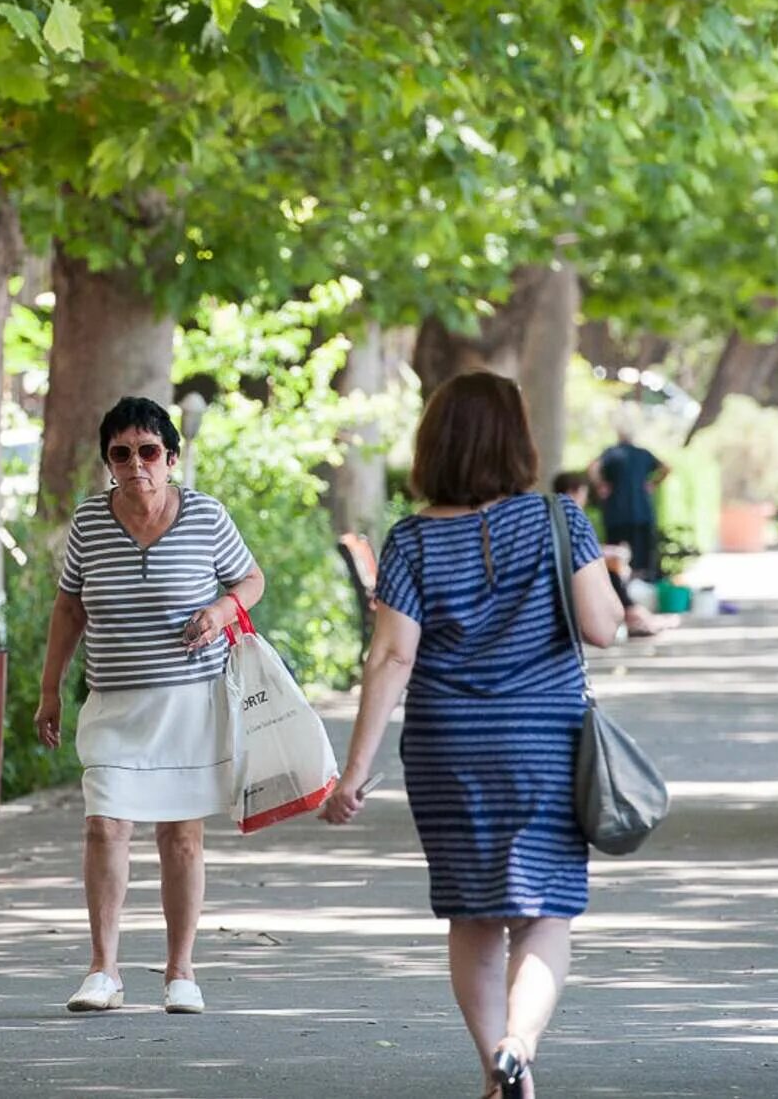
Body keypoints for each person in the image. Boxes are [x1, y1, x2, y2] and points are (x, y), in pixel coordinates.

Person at [323, 372, 625, 1099]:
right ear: (517, 440)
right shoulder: (560, 518)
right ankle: (519, 1045)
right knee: (545, 910)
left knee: (474, 911)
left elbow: (393, 655)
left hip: (447, 747)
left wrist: (354, 769)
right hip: (543, 744)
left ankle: (494, 1067)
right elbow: (601, 627)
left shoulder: (413, 539)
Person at [33, 396, 265, 1017]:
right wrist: (50, 687)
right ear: (108, 462)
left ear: (171, 457)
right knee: (104, 824)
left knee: (181, 837)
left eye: (149, 452)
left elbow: (250, 580)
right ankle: (103, 970)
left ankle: (180, 971)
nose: (136, 464)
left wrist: (221, 611)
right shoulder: (89, 523)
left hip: (189, 703)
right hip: (113, 701)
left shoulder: (206, 516)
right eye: (121, 453)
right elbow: (68, 608)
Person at [553, 471, 673, 638]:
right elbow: (580, 550)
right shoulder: (569, 516)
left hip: (568, 572)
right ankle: (633, 616)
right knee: (612, 575)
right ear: (574, 491)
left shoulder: (555, 516)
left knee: (614, 572)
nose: (585, 499)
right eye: (583, 493)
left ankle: (635, 616)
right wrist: (615, 553)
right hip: (573, 576)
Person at [588, 415, 667, 581]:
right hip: (641, 513)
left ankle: (622, 589)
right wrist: (652, 483)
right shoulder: (643, 454)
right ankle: (640, 587)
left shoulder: (612, 453)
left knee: (616, 558)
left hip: (616, 512)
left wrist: (601, 485)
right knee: (642, 560)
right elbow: (666, 467)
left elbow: (593, 467)